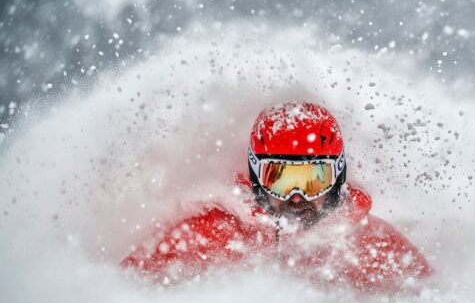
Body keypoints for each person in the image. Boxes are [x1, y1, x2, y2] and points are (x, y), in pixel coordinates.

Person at [122, 102, 431, 293]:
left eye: (314, 180)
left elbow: (430, 299)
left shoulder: (369, 243)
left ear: (338, 177)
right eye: (280, 179)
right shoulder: (208, 236)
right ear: (255, 176)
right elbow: (120, 293)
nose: (297, 197)